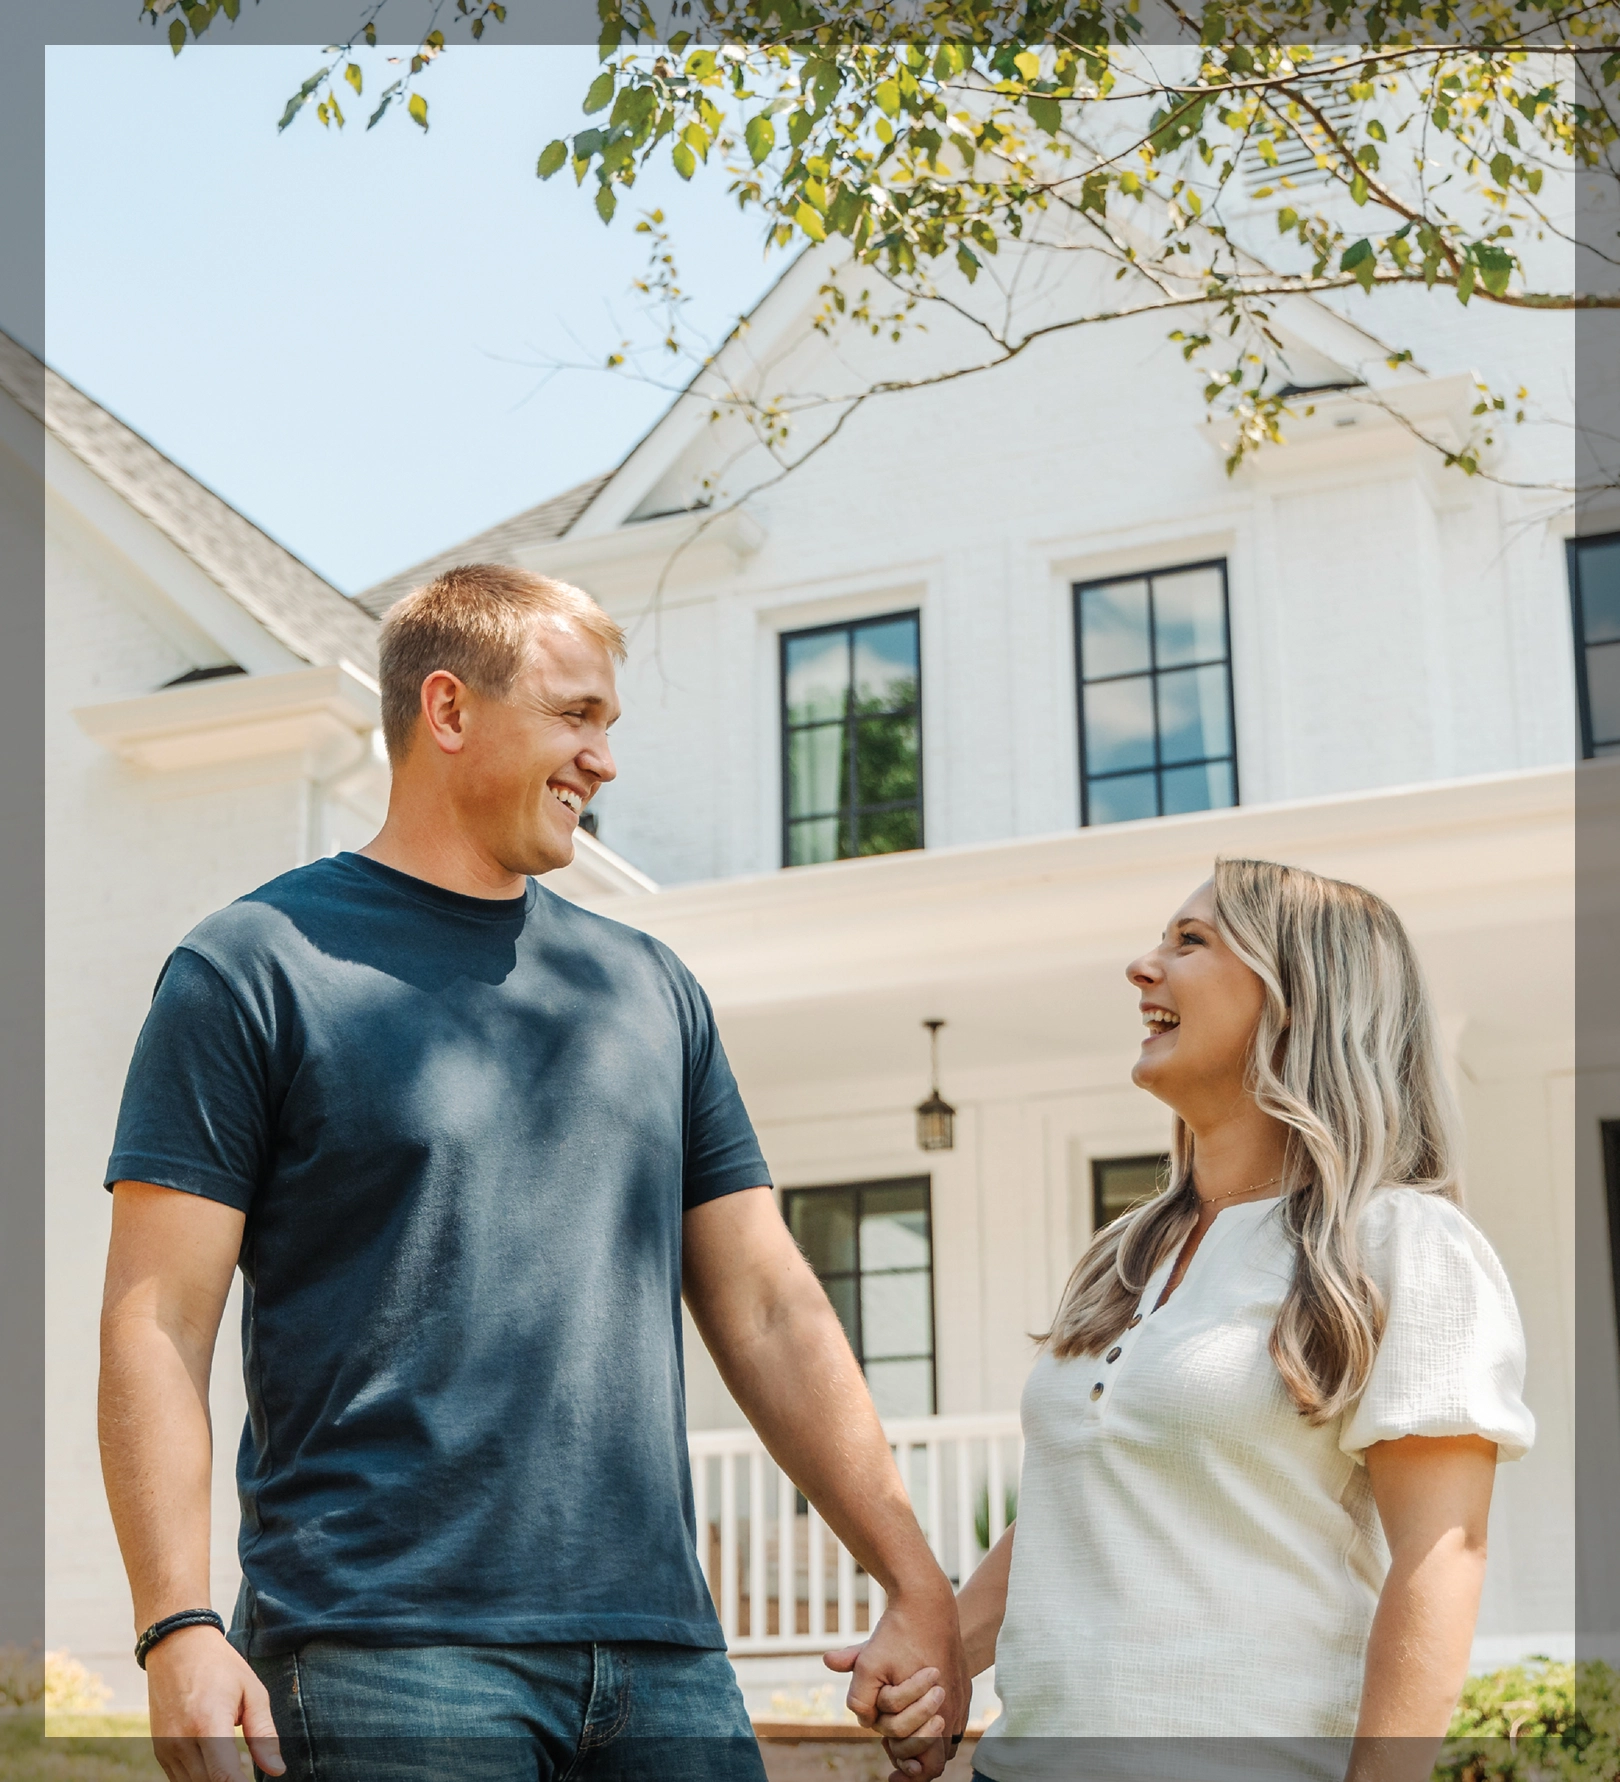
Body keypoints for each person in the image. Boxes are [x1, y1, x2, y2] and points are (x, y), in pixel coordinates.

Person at [98, 565, 968, 1782]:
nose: (603, 760)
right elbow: (157, 1320)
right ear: (448, 712)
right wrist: (176, 1624)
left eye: (608, 724)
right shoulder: (253, 968)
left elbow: (771, 1304)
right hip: (382, 1649)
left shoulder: (650, 989)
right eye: (576, 715)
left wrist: (913, 1577)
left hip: (664, 1657)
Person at [859, 858, 1534, 1782]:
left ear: (1300, 997)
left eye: (1191, 942)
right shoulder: (1126, 1253)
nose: (1143, 968)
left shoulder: (1400, 1244)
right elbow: (1081, 1506)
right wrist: (942, 1653)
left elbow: (1441, 1555)